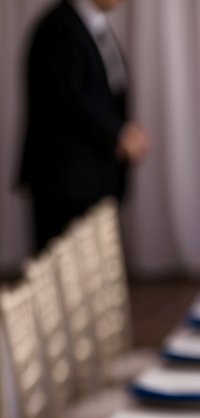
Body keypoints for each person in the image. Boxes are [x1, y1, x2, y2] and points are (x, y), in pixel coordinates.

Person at [18, 0, 150, 252]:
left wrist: (126, 131)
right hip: (65, 182)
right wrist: (119, 135)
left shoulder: (95, 27)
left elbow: (106, 91)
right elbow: (68, 97)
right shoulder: (59, 26)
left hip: (96, 176)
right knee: (63, 271)